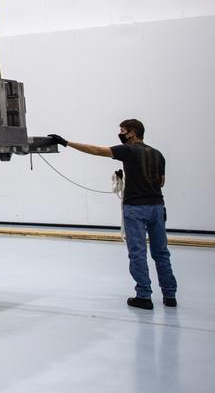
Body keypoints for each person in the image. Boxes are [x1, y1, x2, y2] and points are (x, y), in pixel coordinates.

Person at [49, 119, 176, 310]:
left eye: (122, 131)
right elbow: (161, 182)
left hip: (135, 208)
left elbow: (98, 150)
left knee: (138, 252)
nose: (121, 134)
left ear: (132, 133)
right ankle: (170, 295)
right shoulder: (157, 154)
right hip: (157, 206)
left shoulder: (128, 150)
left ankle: (143, 296)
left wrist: (67, 143)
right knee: (161, 252)